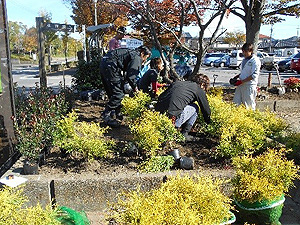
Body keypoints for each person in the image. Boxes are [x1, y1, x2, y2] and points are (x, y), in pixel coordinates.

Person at [100, 46, 152, 127]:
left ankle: (117, 113)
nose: (145, 60)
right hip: (111, 66)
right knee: (118, 94)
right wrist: (136, 89)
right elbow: (131, 76)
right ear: (142, 53)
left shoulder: (130, 53)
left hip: (105, 63)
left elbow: (126, 74)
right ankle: (106, 115)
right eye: (146, 57)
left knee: (113, 91)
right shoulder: (137, 57)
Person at [155, 74, 211, 141]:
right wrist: (209, 123)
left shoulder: (178, 83)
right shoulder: (198, 89)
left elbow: (161, 96)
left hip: (158, 115)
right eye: (205, 88)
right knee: (195, 107)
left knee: (184, 104)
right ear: (202, 84)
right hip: (173, 118)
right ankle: (184, 134)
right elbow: (206, 110)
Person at [232, 43, 261, 110]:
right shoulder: (244, 60)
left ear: (250, 51)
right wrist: (236, 77)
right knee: (236, 103)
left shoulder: (255, 61)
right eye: (243, 51)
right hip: (241, 85)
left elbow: (254, 75)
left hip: (249, 85)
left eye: (245, 51)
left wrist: (242, 81)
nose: (244, 53)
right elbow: (244, 72)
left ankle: (251, 118)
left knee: (249, 105)